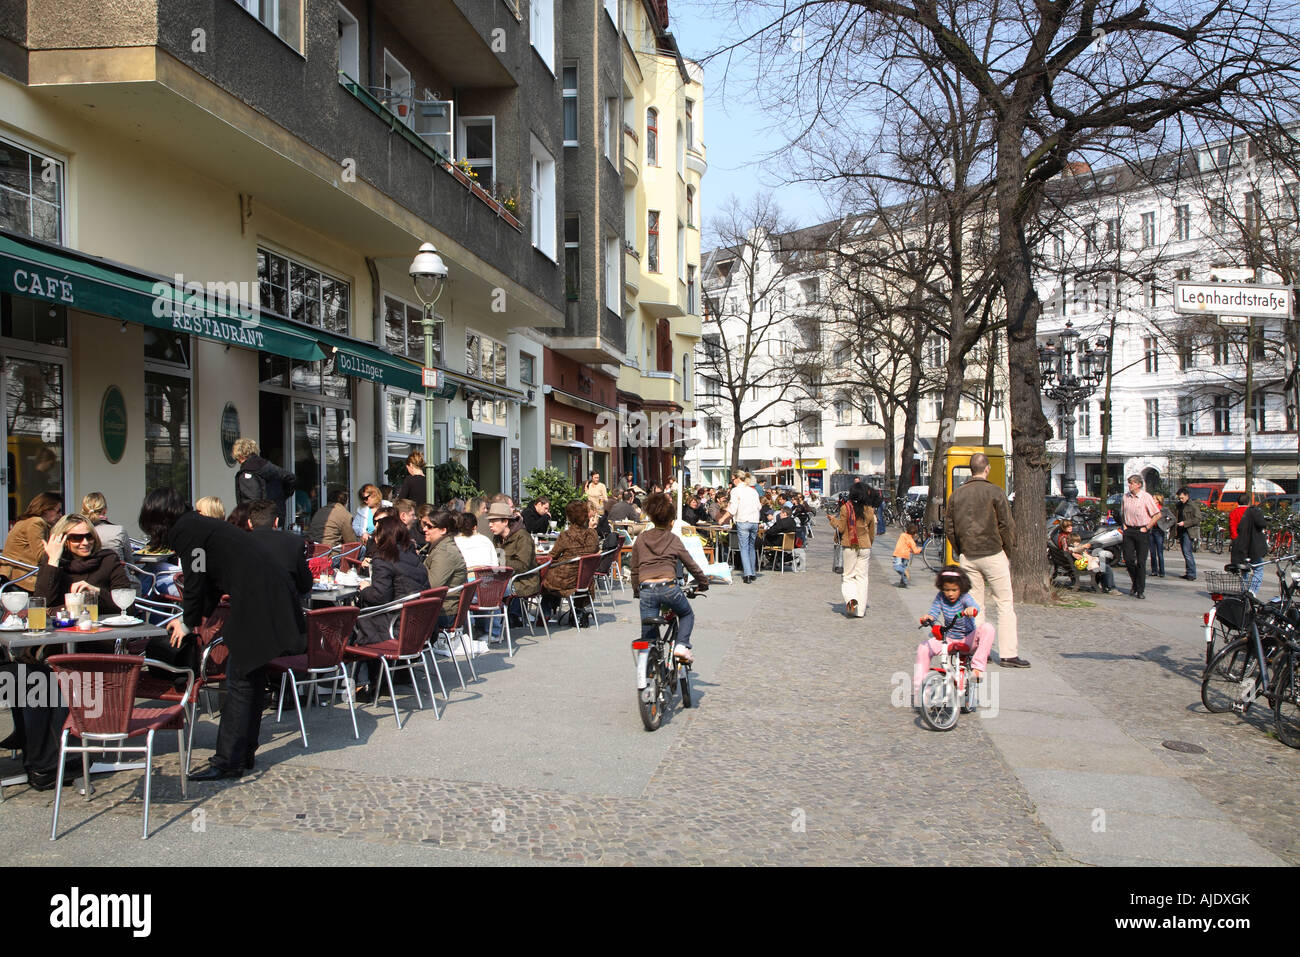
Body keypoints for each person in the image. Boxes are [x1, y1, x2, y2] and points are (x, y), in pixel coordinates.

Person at [140, 487, 304, 780]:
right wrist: (193, 618)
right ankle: (243, 755)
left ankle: (228, 761)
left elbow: (195, 580)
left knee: (240, 679)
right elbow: (207, 579)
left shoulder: (187, 531)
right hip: (270, 597)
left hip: (259, 601)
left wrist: (188, 623)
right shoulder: (198, 526)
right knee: (249, 677)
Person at [944, 452, 1025, 667]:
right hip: (993, 552)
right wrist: (1007, 550)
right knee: (1004, 603)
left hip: (968, 555)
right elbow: (1006, 525)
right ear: (986, 468)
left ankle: (980, 648)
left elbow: (949, 527)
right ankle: (1008, 653)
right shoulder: (996, 492)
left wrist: (962, 548)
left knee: (974, 604)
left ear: (971, 470)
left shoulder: (957, 495)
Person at [354, 515, 430, 698]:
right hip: (419, 626)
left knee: (356, 623)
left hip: (396, 625)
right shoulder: (413, 556)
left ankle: (363, 683)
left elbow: (379, 596)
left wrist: (364, 589)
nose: (374, 536)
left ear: (383, 535)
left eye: (377, 532)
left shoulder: (384, 558)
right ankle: (383, 678)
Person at [629, 492, 709, 664]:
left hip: (646, 589)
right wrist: (703, 582)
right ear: (670, 521)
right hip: (669, 588)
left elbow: (635, 569)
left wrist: (636, 590)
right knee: (686, 614)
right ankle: (681, 645)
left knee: (648, 631)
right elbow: (690, 564)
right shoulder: (673, 539)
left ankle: (648, 671)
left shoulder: (641, 539)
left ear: (651, 518)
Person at [912, 566, 995, 705]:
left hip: (968, 639)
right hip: (948, 639)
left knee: (988, 628)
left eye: (954, 590)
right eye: (946, 590)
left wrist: (971, 610)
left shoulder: (964, 597)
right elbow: (934, 612)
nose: (950, 594)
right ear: (942, 588)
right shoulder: (940, 598)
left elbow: (975, 607)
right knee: (924, 648)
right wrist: (928, 617)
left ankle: (977, 669)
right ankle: (920, 690)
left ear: (961, 588)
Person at [34, 513, 134, 616]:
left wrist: (96, 592)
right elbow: (40, 605)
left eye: (89, 536)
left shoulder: (108, 560)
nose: (85, 542)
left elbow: (128, 607)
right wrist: (53, 561)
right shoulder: (52, 562)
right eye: (77, 538)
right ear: (63, 540)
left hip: (99, 627)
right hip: (61, 627)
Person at [245, 499, 312, 615]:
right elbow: (305, 585)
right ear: (276, 522)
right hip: (286, 618)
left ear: (250, 523)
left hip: (247, 617)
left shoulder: (237, 543)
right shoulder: (294, 543)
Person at [540, 499, 600, 626]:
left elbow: (552, 556)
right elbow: (593, 552)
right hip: (584, 579)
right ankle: (575, 610)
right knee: (552, 574)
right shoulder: (593, 534)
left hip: (566, 579)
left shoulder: (566, 536)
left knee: (544, 577)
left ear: (569, 517)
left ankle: (545, 612)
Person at [828, 482, 874, 617]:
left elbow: (841, 528)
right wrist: (869, 543)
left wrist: (832, 520)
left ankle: (852, 601)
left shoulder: (845, 508)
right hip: (865, 546)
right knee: (862, 577)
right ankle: (860, 611)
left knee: (848, 576)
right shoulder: (869, 509)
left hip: (850, 545)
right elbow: (872, 531)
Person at [0, 493, 62, 590]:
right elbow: (42, 556)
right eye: (58, 511)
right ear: (45, 509)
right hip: (21, 578)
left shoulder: (25, 521)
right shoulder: (35, 523)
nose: (60, 515)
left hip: (13, 576)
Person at [490, 501, 538, 628]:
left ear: (505, 522)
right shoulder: (497, 538)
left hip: (524, 580)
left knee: (489, 590)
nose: (490, 525)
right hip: (503, 578)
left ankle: (493, 628)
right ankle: (487, 626)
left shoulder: (523, 537)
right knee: (480, 588)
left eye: (494, 521)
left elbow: (523, 565)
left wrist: (499, 563)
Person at [421, 509, 468, 628]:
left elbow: (432, 586)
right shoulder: (441, 547)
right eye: (425, 525)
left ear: (443, 530)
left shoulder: (444, 552)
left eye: (430, 527)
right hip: (442, 607)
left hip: (444, 612)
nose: (424, 529)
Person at [1119, 474, 1160, 599]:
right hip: (1129, 530)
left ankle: (1140, 589)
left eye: (1132, 483)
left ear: (1139, 484)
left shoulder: (1146, 497)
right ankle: (1135, 582)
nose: (1130, 485)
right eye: (1129, 483)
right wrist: (1124, 525)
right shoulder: (1125, 497)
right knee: (1128, 559)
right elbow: (1122, 512)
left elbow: (1157, 515)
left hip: (1142, 531)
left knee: (1141, 562)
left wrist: (1147, 527)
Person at [232, 437, 297, 513]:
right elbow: (291, 477)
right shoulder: (268, 466)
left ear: (239, 455)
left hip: (259, 518)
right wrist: (281, 497)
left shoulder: (247, 472)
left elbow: (252, 500)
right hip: (277, 514)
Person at [1230, 493, 1268, 595]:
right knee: (1258, 569)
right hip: (1253, 545)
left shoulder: (1233, 513)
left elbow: (1232, 531)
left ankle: (1244, 591)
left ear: (1238, 502)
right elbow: (1262, 524)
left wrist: (1236, 541)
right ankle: (1252, 591)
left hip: (1240, 546)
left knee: (1244, 570)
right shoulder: (1254, 511)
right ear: (1248, 502)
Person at [80, 492, 129, 567]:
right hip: (118, 575)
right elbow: (129, 560)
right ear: (105, 510)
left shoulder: (76, 531)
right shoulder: (118, 531)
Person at [730, 470, 761, 584]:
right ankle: (752, 572)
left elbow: (733, 509)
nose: (732, 482)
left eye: (733, 479)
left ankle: (747, 574)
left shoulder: (735, 491)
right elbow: (759, 506)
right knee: (751, 547)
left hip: (743, 520)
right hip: (754, 521)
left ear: (737, 479)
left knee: (743, 548)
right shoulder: (753, 491)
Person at [1174, 487, 1201, 581]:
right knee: (1185, 552)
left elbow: (1198, 518)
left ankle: (1192, 573)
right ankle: (1189, 572)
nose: (1181, 500)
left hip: (1188, 531)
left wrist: (1185, 523)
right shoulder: (1179, 505)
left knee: (1187, 552)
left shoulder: (1192, 505)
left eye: (1182, 498)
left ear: (1187, 496)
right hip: (1181, 530)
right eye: (1179, 498)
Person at [893, 521, 922, 587]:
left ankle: (904, 574)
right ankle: (904, 582)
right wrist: (920, 549)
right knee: (903, 567)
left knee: (897, 566)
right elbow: (915, 551)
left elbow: (904, 544)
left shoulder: (902, 535)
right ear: (914, 534)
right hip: (906, 556)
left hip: (898, 554)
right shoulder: (911, 541)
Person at [1150, 492, 1170, 578]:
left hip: (1159, 531)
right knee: (1152, 552)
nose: (1152, 500)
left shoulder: (1163, 509)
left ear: (1158, 500)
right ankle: (1154, 570)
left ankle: (1162, 571)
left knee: (1160, 552)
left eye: (1154, 499)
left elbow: (1172, 518)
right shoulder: (1150, 508)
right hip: (1151, 530)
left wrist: (1165, 526)